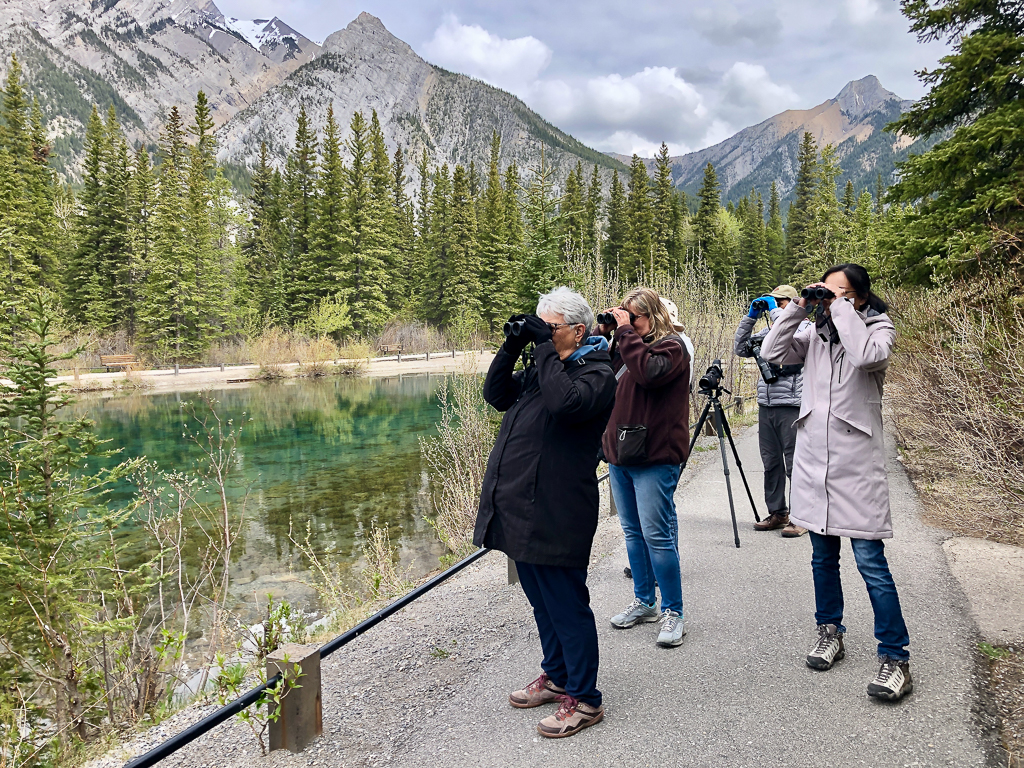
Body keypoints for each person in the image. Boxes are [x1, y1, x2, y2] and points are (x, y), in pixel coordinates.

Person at [760, 263, 913, 701]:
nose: (828, 300)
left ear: (859, 298)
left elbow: (866, 356)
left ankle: (895, 656)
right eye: (824, 292)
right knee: (822, 558)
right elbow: (771, 352)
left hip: (855, 463)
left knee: (871, 564)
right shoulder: (814, 334)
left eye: (839, 293)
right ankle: (830, 631)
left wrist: (841, 310)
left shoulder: (879, 329)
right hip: (814, 462)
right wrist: (798, 309)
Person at [474, 286, 616, 738]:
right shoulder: (544, 368)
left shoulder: (597, 372)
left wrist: (540, 350)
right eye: (540, 325)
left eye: (550, 327)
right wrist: (514, 342)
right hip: (523, 506)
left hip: (559, 509)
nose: (543, 334)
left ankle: (586, 699)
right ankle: (557, 677)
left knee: (567, 605)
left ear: (578, 330)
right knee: (541, 602)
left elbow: (565, 404)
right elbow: (495, 394)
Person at [599, 287, 691, 647]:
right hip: (621, 455)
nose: (627, 322)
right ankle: (645, 601)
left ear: (652, 317)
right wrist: (604, 333)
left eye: (633, 317)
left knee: (657, 536)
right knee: (632, 533)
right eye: (624, 315)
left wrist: (624, 334)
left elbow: (649, 373)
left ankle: (674, 611)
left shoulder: (673, 347)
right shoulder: (624, 345)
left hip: (655, 456)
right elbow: (603, 378)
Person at [733, 284, 812, 537]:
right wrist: (751, 316)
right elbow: (740, 348)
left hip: (792, 405)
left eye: (780, 302)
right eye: (772, 302)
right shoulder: (767, 331)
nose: (774, 307)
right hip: (767, 405)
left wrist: (778, 312)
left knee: (795, 464)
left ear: (794, 303)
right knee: (771, 462)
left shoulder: (806, 329)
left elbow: (789, 332)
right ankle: (778, 512)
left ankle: (802, 517)